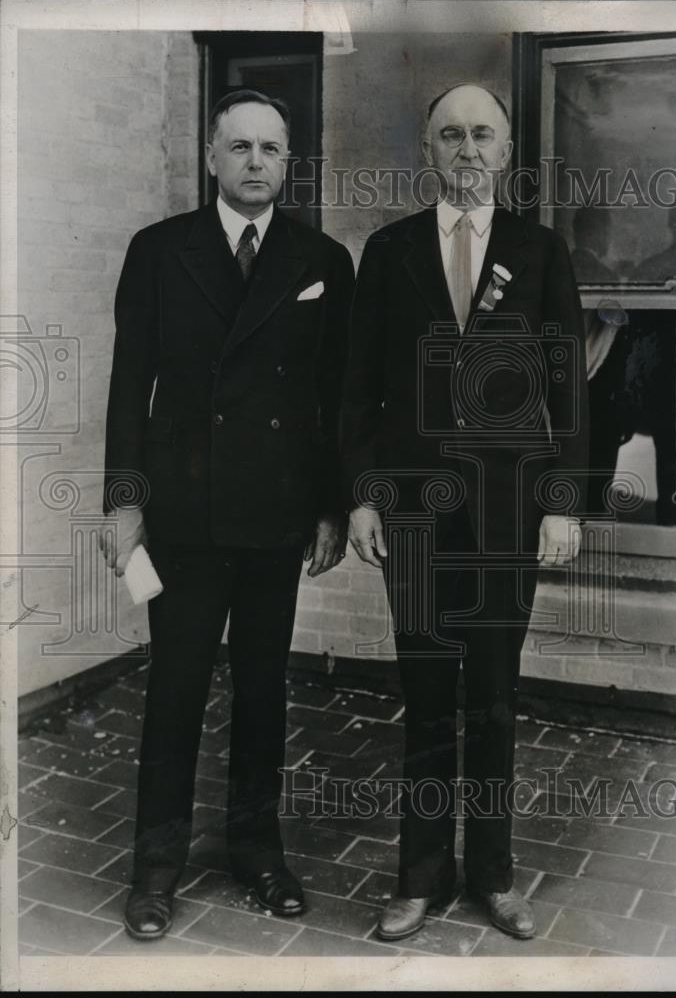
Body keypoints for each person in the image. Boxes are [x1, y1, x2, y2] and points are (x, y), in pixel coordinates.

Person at [100, 89, 354, 940]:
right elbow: (129, 389)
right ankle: (156, 866)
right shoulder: (159, 251)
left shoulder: (322, 258)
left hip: (276, 512)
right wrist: (124, 504)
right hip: (184, 512)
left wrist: (328, 507)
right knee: (173, 691)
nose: (255, 163)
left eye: (270, 150)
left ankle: (258, 852)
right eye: (239, 147)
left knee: (262, 689)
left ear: (288, 162)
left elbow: (329, 400)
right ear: (210, 157)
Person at [341, 83, 589, 942]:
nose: (467, 149)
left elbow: (567, 390)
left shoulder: (540, 250)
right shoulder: (389, 251)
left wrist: (560, 503)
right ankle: (419, 875)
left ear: (507, 149)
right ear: (427, 149)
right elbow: (359, 391)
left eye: (483, 133)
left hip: (503, 512)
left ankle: (492, 872)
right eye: (450, 135)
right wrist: (366, 495)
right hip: (411, 513)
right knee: (424, 691)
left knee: (490, 694)